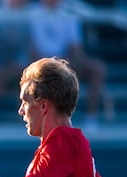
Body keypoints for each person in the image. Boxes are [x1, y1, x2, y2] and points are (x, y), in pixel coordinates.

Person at [29, 0, 108, 128]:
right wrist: (49, 63)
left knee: (97, 69)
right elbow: (31, 49)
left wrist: (68, 61)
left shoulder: (68, 13)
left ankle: (91, 118)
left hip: (65, 62)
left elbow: (76, 47)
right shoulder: (30, 14)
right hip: (38, 65)